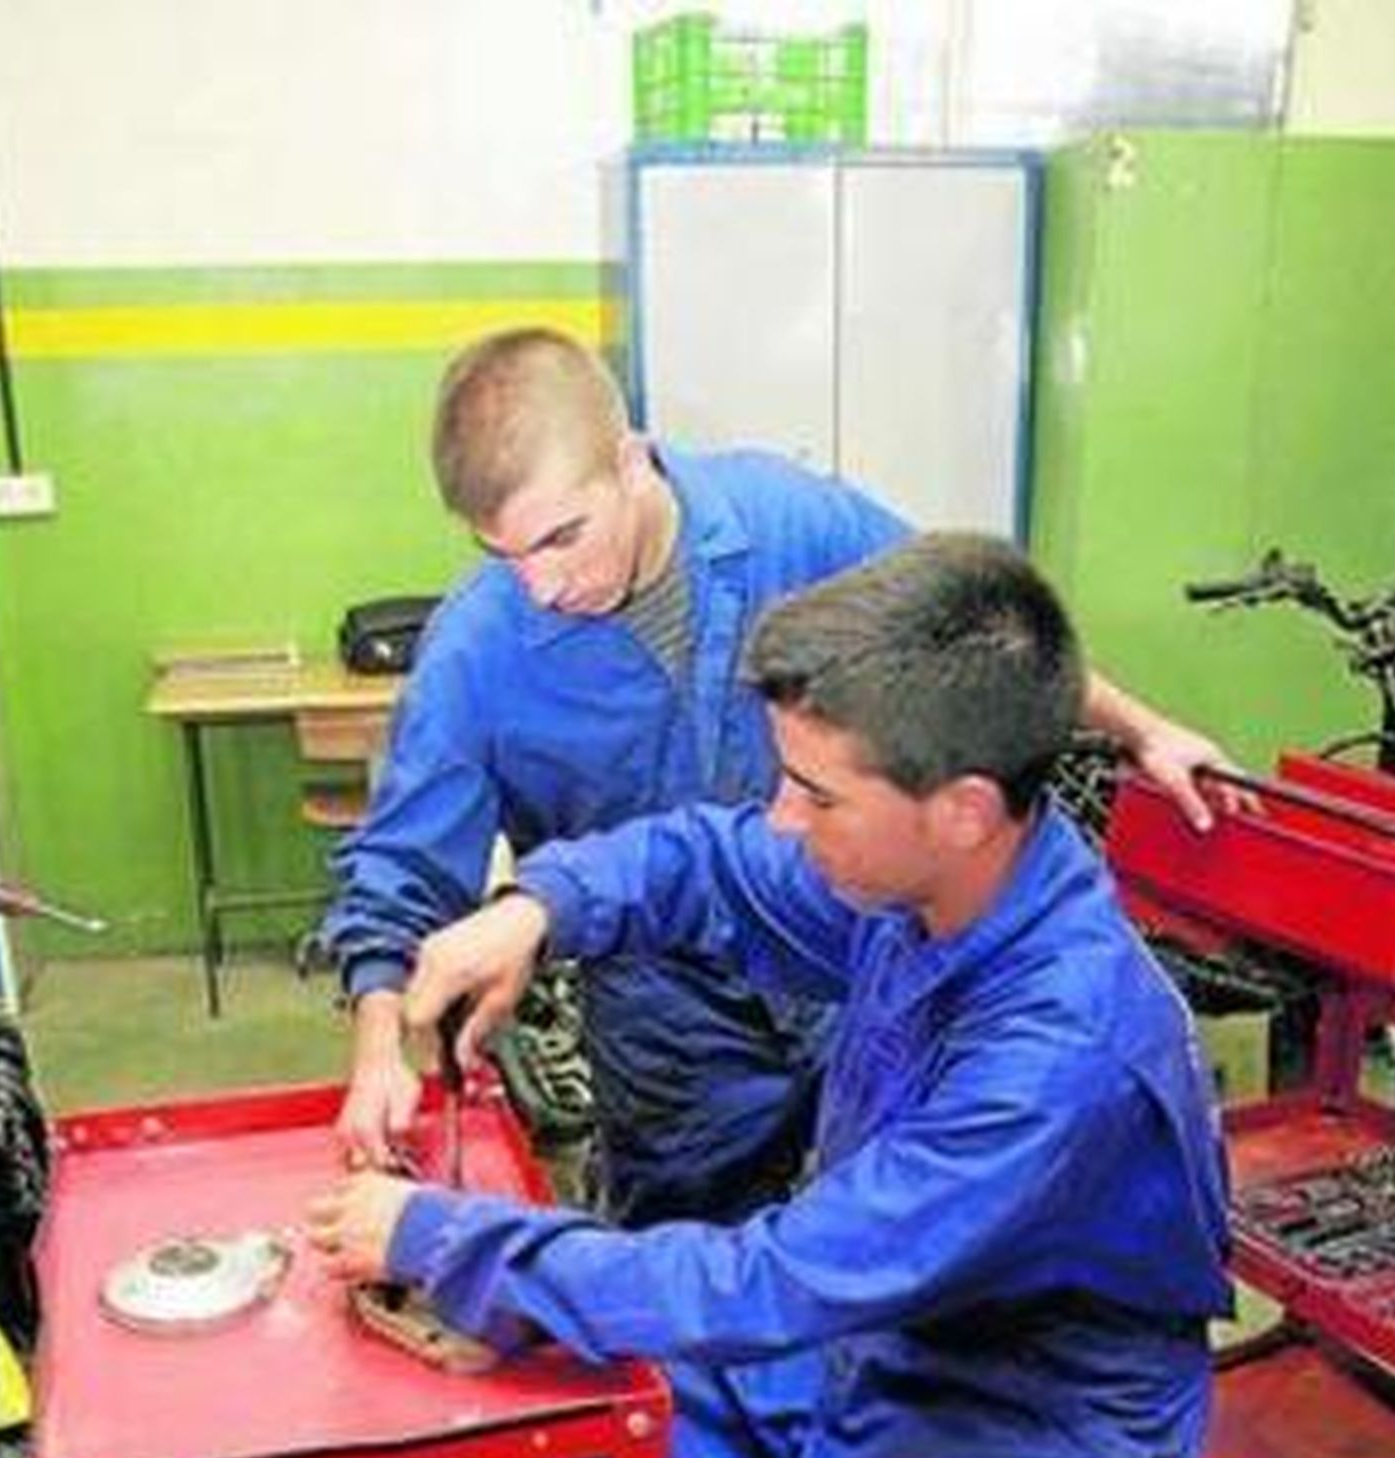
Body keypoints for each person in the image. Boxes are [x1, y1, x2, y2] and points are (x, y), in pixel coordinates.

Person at [306, 532, 1233, 1458]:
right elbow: (703, 858)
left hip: (1039, 1415)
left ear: (965, 807)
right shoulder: (919, 890)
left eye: (817, 793)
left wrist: (442, 1238)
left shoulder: (1056, 1054)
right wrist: (536, 906)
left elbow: (780, 1277)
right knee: (593, 1429)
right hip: (897, 1329)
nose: (783, 820)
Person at [323, 326, 1231, 1227]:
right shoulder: (478, 648)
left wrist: (1145, 730)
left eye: (563, 537)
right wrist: (379, 1047)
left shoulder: (789, 525)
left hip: (849, 961)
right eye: (504, 554)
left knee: (889, 1238)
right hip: (668, 1024)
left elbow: (972, 640)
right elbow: (401, 871)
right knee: (685, 1271)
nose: (541, 586)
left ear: (632, 460)